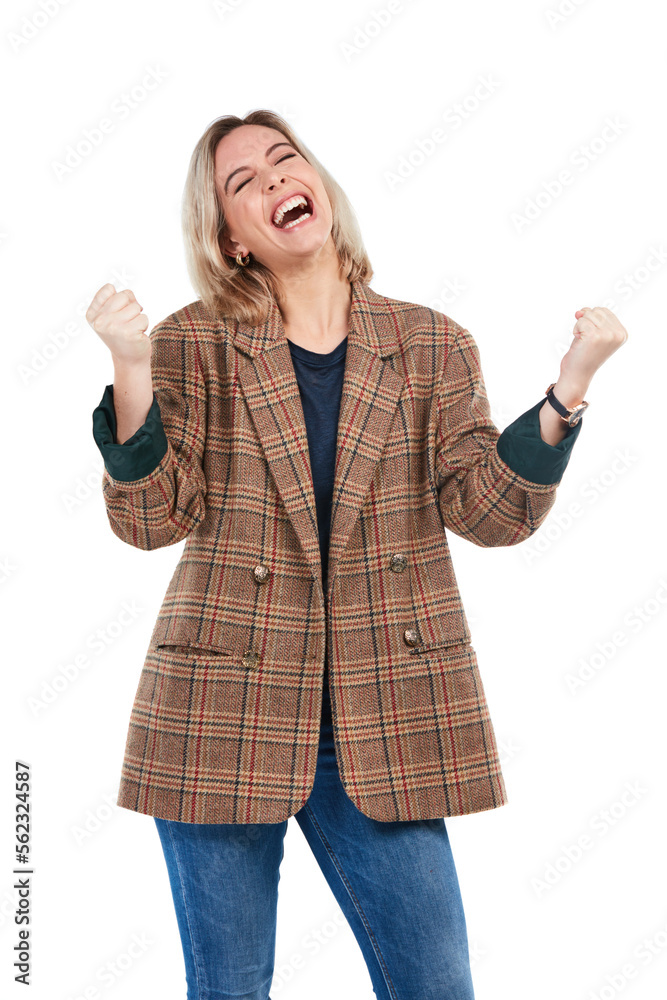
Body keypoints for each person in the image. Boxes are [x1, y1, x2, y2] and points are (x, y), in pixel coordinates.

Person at [87, 109, 628, 1000]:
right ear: (231, 241)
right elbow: (149, 520)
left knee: (435, 986)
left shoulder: (432, 343)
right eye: (242, 182)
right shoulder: (189, 343)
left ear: (319, 186)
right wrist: (131, 371)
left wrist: (567, 391)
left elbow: (489, 513)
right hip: (221, 713)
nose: (271, 182)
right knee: (228, 990)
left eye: (282, 161)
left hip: (386, 719)